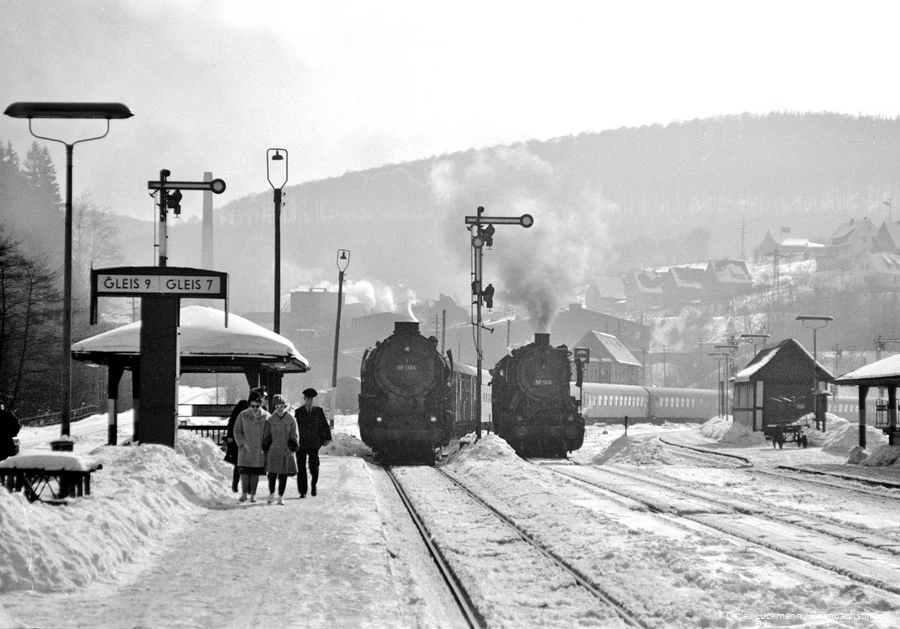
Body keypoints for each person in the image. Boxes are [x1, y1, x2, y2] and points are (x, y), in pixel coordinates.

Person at [224, 386, 266, 493]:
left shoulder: (262, 410)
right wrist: (230, 436)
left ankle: (248, 488)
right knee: (240, 462)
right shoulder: (241, 406)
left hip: (254, 442)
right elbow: (233, 421)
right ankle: (236, 483)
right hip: (240, 440)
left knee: (250, 464)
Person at [294, 388, 332, 498]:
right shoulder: (298, 412)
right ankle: (303, 491)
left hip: (314, 444)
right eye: (307, 399)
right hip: (301, 444)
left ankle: (314, 485)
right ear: (304, 399)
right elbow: (294, 428)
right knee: (301, 467)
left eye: (311, 399)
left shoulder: (318, 411)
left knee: (314, 466)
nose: (309, 401)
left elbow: (325, 425)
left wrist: (327, 437)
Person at [262, 394, 299, 505]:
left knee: (283, 474)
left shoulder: (291, 419)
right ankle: (271, 494)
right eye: (277, 407)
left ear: (285, 406)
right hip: (273, 450)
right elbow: (267, 434)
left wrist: (294, 443)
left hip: (286, 450)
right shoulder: (271, 420)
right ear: (274, 408)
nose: (279, 409)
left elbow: (294, 433)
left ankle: (280, 496)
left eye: (281, 406)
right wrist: (266, 443)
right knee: (272, 474)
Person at [233, 391, 268, 502]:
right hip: (245, 449)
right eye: (253, 406)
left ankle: (253, 494)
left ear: (261, 405)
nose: (255, 408)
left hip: (258, 449)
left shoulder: (266, 416)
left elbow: (271, 430)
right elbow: (237, 431)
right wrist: (242, 443)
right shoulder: (242, 415)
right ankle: (244, 493)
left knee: (254, 472)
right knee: (244, 472)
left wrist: (266, 443)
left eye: (257, 406)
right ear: (249, 405)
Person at [0, 396, 20, 462]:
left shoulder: (8, 415)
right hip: (6, 442)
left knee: (15, 458)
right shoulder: (9, 414)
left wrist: (11, 433)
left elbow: (17, 426)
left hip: (11, 439)